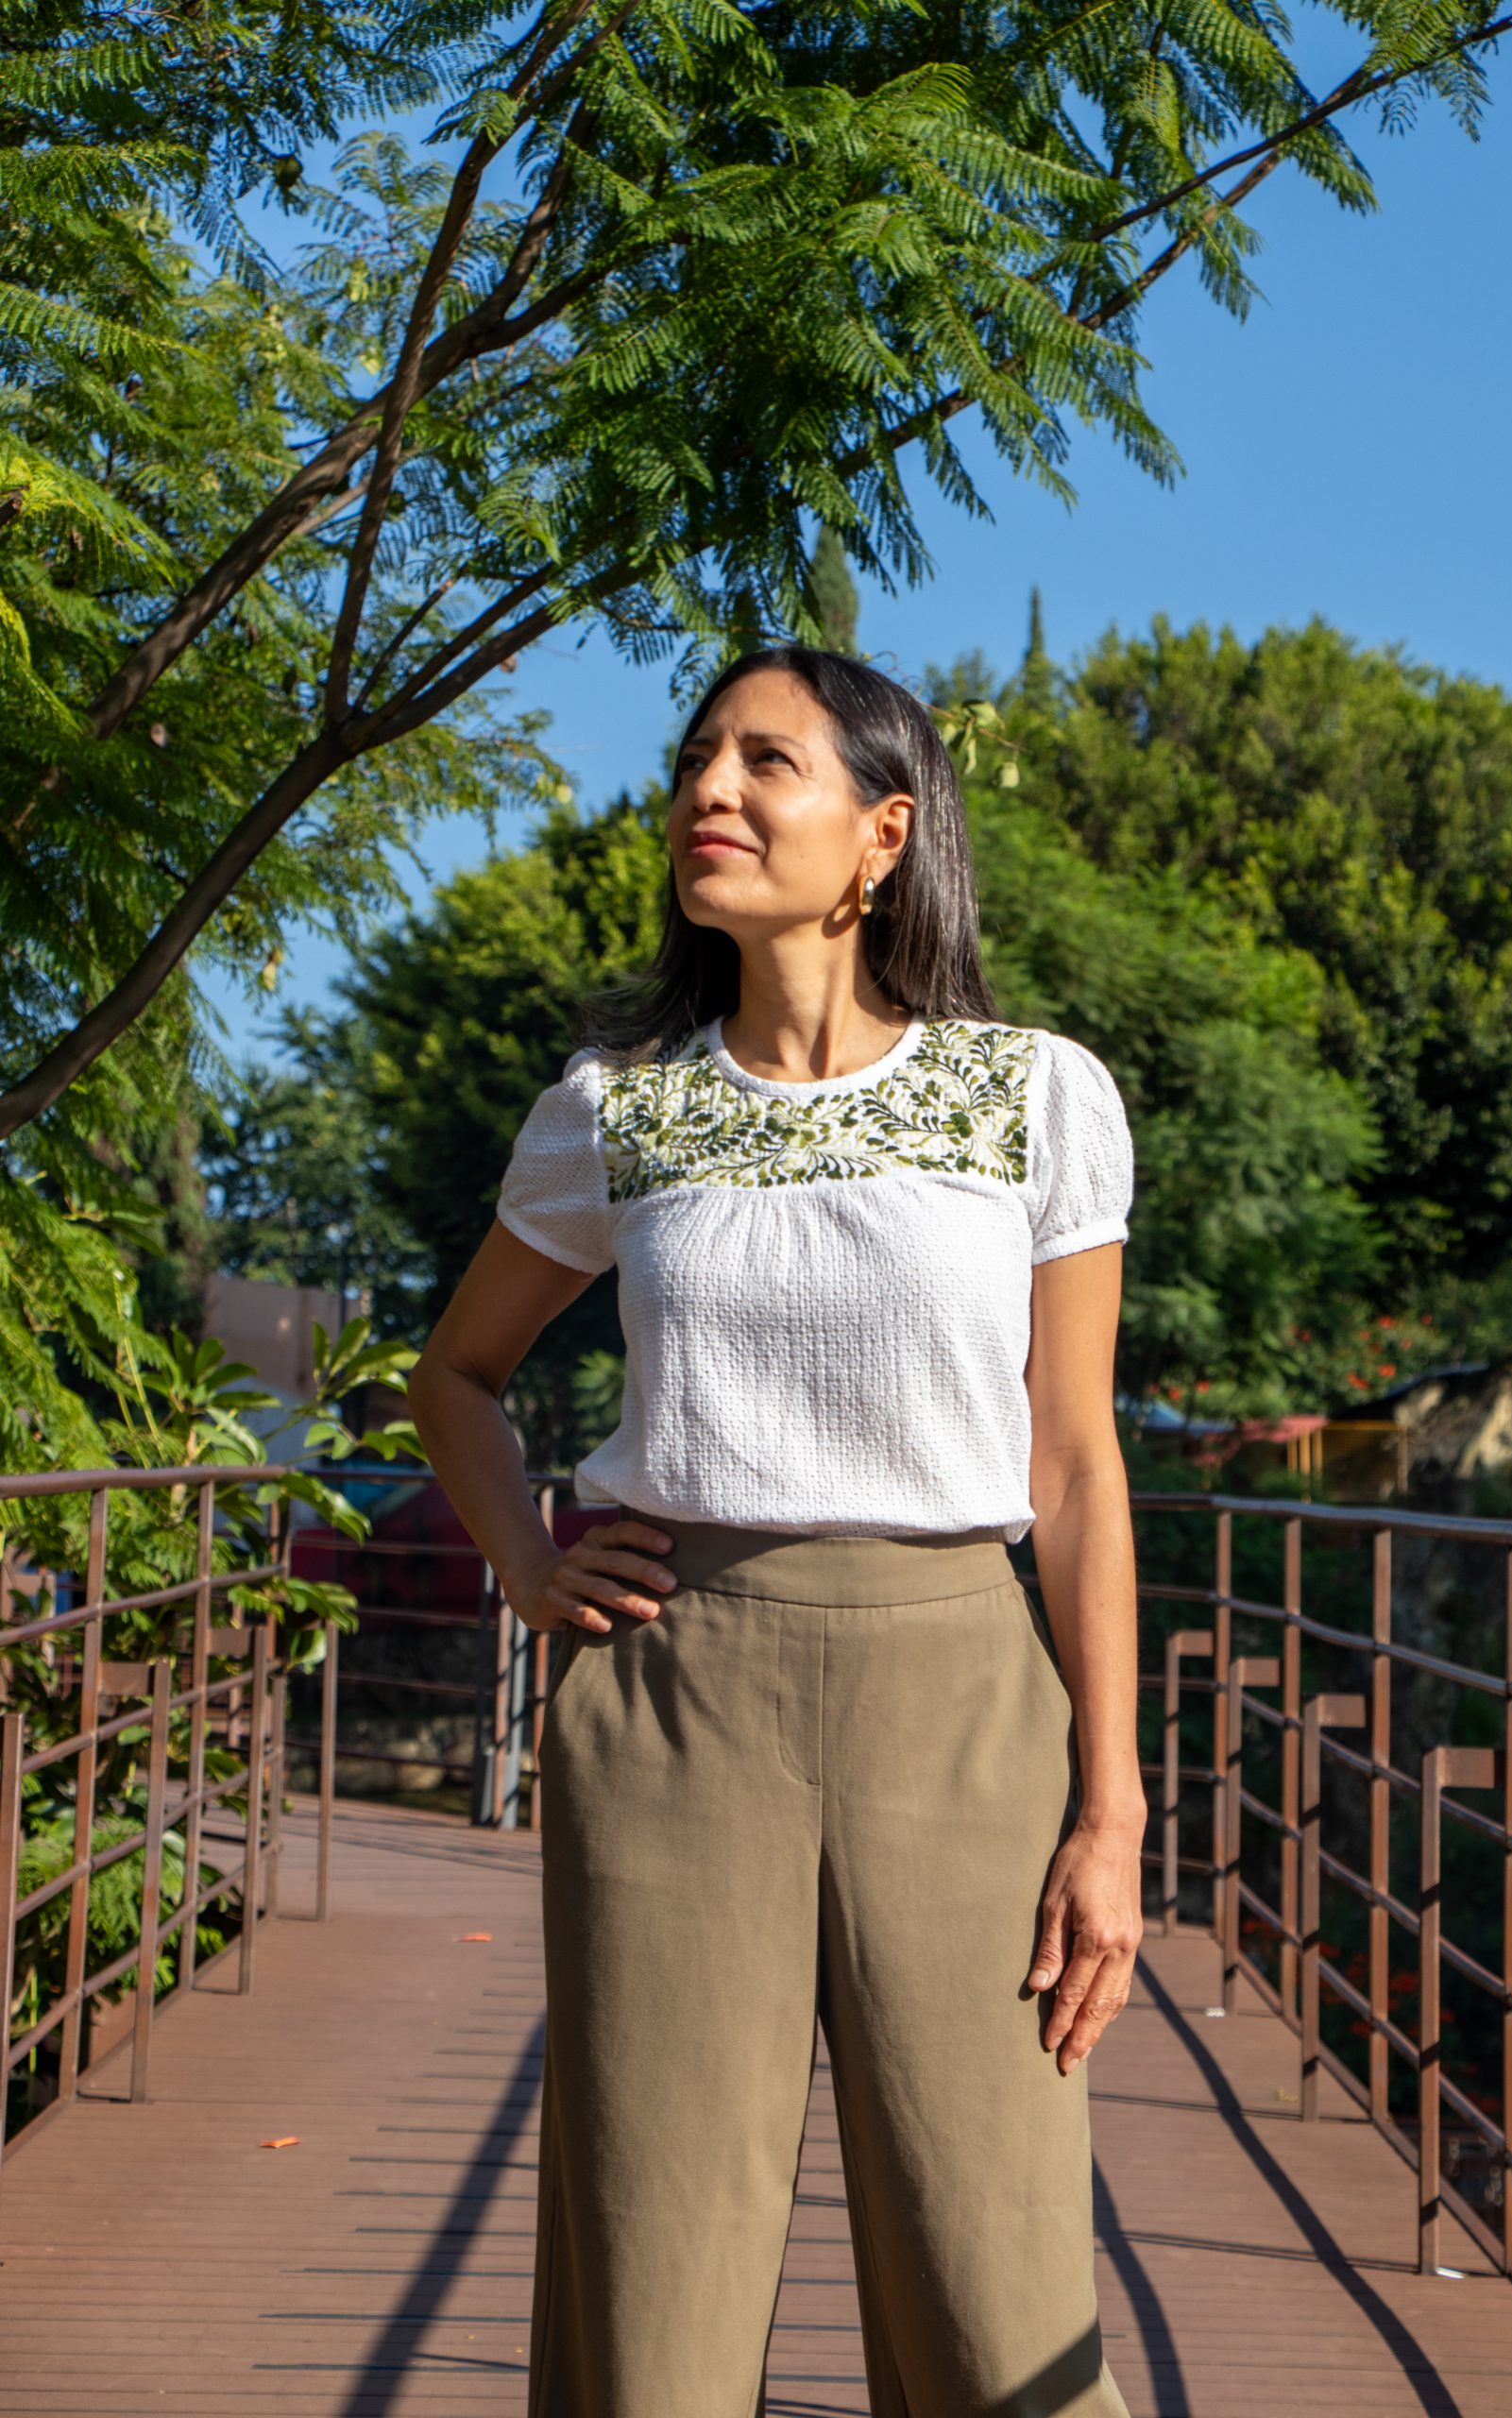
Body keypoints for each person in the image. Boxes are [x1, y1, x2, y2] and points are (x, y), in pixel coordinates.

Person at [408, 644, 1143, 2418]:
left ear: (885, 832)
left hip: (961, 1705)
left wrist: (1112, 1813)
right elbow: (456, 1377)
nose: (707, 793)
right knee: (652, 2271)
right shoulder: (617, 1107)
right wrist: (530, 1565)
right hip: (675, 1700)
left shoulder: (1032, 1094)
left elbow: (1073, 1466)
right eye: (695, 760)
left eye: (764, 762)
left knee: (996, 2277)